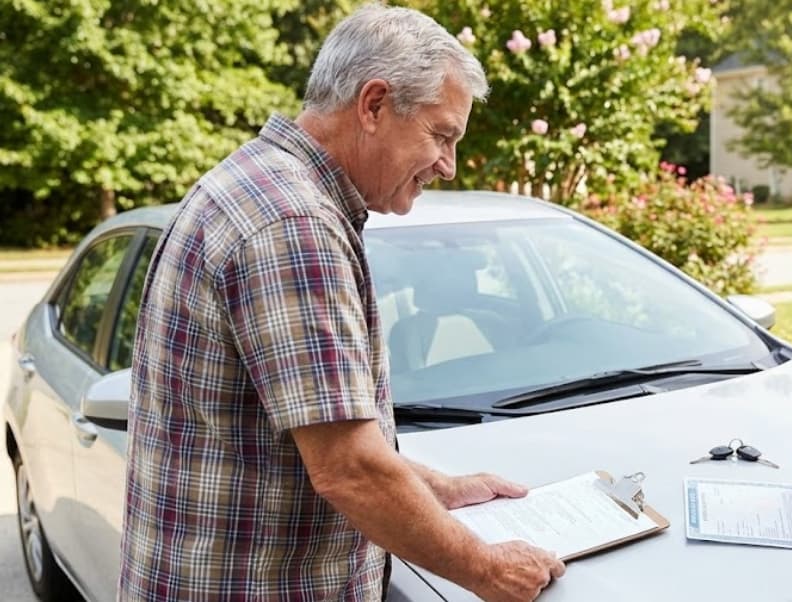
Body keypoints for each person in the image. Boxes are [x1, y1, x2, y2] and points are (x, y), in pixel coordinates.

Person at [120, 4, 564, 601]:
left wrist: (436, 487)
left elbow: (301, 435)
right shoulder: (293, 224)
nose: (449, 165)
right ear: (374, 104)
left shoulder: (258, 182)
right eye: (441, 135)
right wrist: (487, 570)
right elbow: (348, 468)